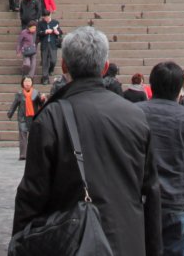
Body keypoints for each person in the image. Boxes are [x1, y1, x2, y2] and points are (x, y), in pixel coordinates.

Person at [12, 25, 163, 256]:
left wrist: (20, 243)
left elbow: (32, 194)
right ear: (104, 67)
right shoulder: (135, 116)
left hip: (71, 242)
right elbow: (151, 190)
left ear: (64, 66)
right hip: (127, 240)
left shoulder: (51, 118)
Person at [140, 61, 184, 256]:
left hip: (141, 201)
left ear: (151, 86)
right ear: (180, 89)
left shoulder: (135, 112)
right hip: (177, 199)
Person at [6, 75, 44, 160]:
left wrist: (42, 99)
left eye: (29, 81)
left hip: (33, 117)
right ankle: (23, 154)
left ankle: (33, 153)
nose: (27, 83)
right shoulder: (19, 94)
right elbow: (14, 104)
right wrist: (10, 113)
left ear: (32, 83)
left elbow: (41, 104)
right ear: (22, 83)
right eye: (25, 81)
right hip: (22, 117)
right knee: (23, 135)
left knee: (33, 136)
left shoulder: (36, 93)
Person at [36, 9, 63, 84]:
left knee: (53, 60)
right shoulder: (40, 23)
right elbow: (38, 33)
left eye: (48, 17)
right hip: (44, 44)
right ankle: (45, 77)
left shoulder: (55, 22)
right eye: (45, 17)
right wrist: (45, 31)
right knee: (44, 61)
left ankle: (51, 69)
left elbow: (60, 32)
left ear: (50, 15)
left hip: (53, 44)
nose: (46, 19)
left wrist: (56, 32)